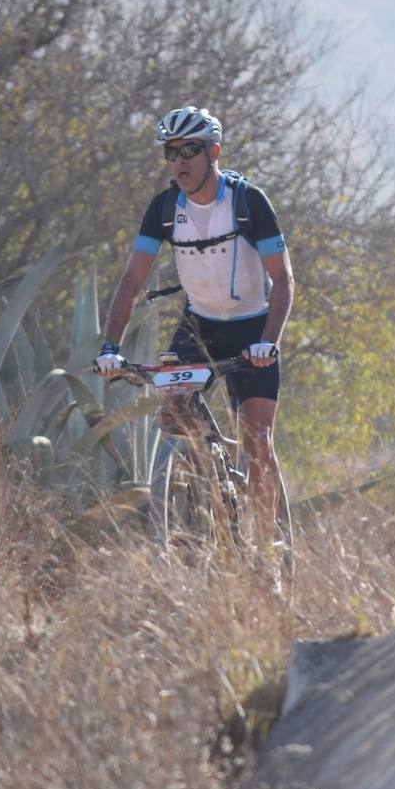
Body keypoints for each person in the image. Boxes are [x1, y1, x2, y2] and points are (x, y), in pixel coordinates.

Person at [96, 105, 294, 545]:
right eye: (172, 152)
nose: (180, 161)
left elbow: (282, 279)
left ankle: (266, 549)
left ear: (214, 152)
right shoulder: (164, 209)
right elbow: (132, 279)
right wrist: (110, 346)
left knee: (257, 439)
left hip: (253, 327)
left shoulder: (247, 202)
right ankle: (200, 496)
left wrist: (269, 342)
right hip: (198, 326)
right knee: (174, 419)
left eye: (190, 150)